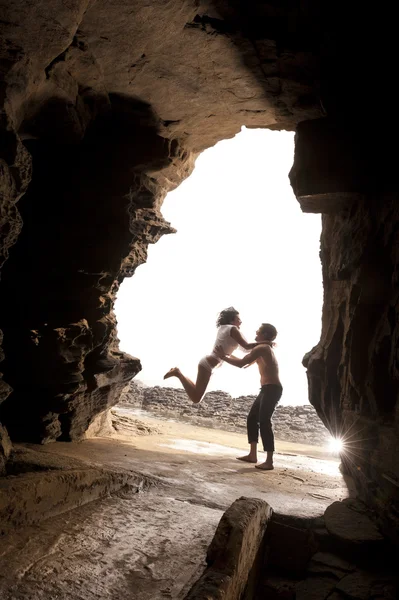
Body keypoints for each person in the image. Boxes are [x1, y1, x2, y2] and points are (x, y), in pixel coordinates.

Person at [215, 323, 282, 471]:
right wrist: (225, 353)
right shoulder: (263, 348)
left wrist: (222, 356)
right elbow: (246, 361)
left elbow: (241, 363)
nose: (255, 332)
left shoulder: (262, 348)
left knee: (264, 421)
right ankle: (253, 455)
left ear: (264, 335)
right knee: (252, 418)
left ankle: (269, 461)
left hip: (272, 389)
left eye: (258, 331)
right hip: (266, 389)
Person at [163, 307, 259, 404]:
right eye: (238, 319)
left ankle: (178, 373)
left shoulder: (228, 329)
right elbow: (246, 346)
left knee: (197, 394)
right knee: (196, 398)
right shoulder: (231, 329)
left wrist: (259, 348)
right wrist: (267, 343)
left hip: (210, 365)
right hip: (207, 364)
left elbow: (245, 350)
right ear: (232, 320)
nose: (241, 321)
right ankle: (178, 373)